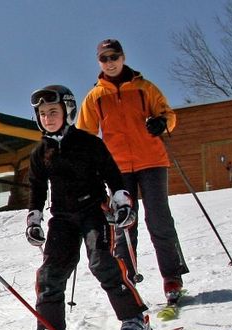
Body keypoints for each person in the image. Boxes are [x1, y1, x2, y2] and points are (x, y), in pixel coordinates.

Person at [26, 85, 153, 330]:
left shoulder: (88, 143)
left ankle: (135, 319)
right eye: (43, 113)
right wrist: (34, 217)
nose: (48, 117)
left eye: (53, 111)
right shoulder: (40, 152)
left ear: (68, 111)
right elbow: (37, 188)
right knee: (50, 273)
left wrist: (121, 200)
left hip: (93, 211)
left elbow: (112, 174)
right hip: (62, 218)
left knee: (102, 263)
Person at [76, 38, 187, 303]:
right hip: (117, 169)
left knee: (159, 220)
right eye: (104, 59)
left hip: (152, 162)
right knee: (125, 225)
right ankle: (125, 279)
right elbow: (84, 135)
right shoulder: (95, 97)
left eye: (114, 57)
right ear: (99, 62)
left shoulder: (144, 88)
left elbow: (168, 115)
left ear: (123, 57)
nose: (110, 62)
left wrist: (162, 123)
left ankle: (172, 278)